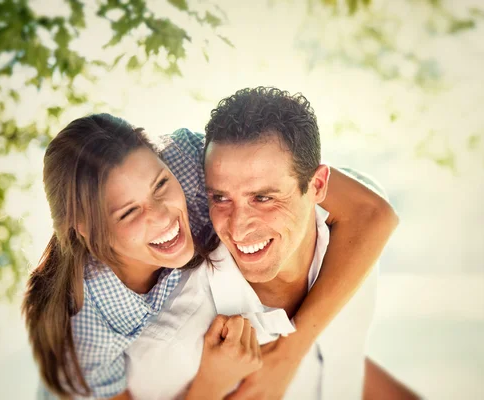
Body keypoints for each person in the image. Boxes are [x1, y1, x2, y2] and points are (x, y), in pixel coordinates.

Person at [22, 107, 399, 399]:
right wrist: (211, 382)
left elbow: (371, 212)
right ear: (84, 231)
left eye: (159, 185)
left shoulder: (187, 165)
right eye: (129, 211)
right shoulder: (86, 328)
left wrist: (288, 354)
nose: (163, 215)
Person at [123, 87, 419, 399]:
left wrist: (290, 354)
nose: (237, 227)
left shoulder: (352, 245)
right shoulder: (175, 342)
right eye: (220, 197)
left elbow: (342, 363)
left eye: (263, 198)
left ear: (317, 185)